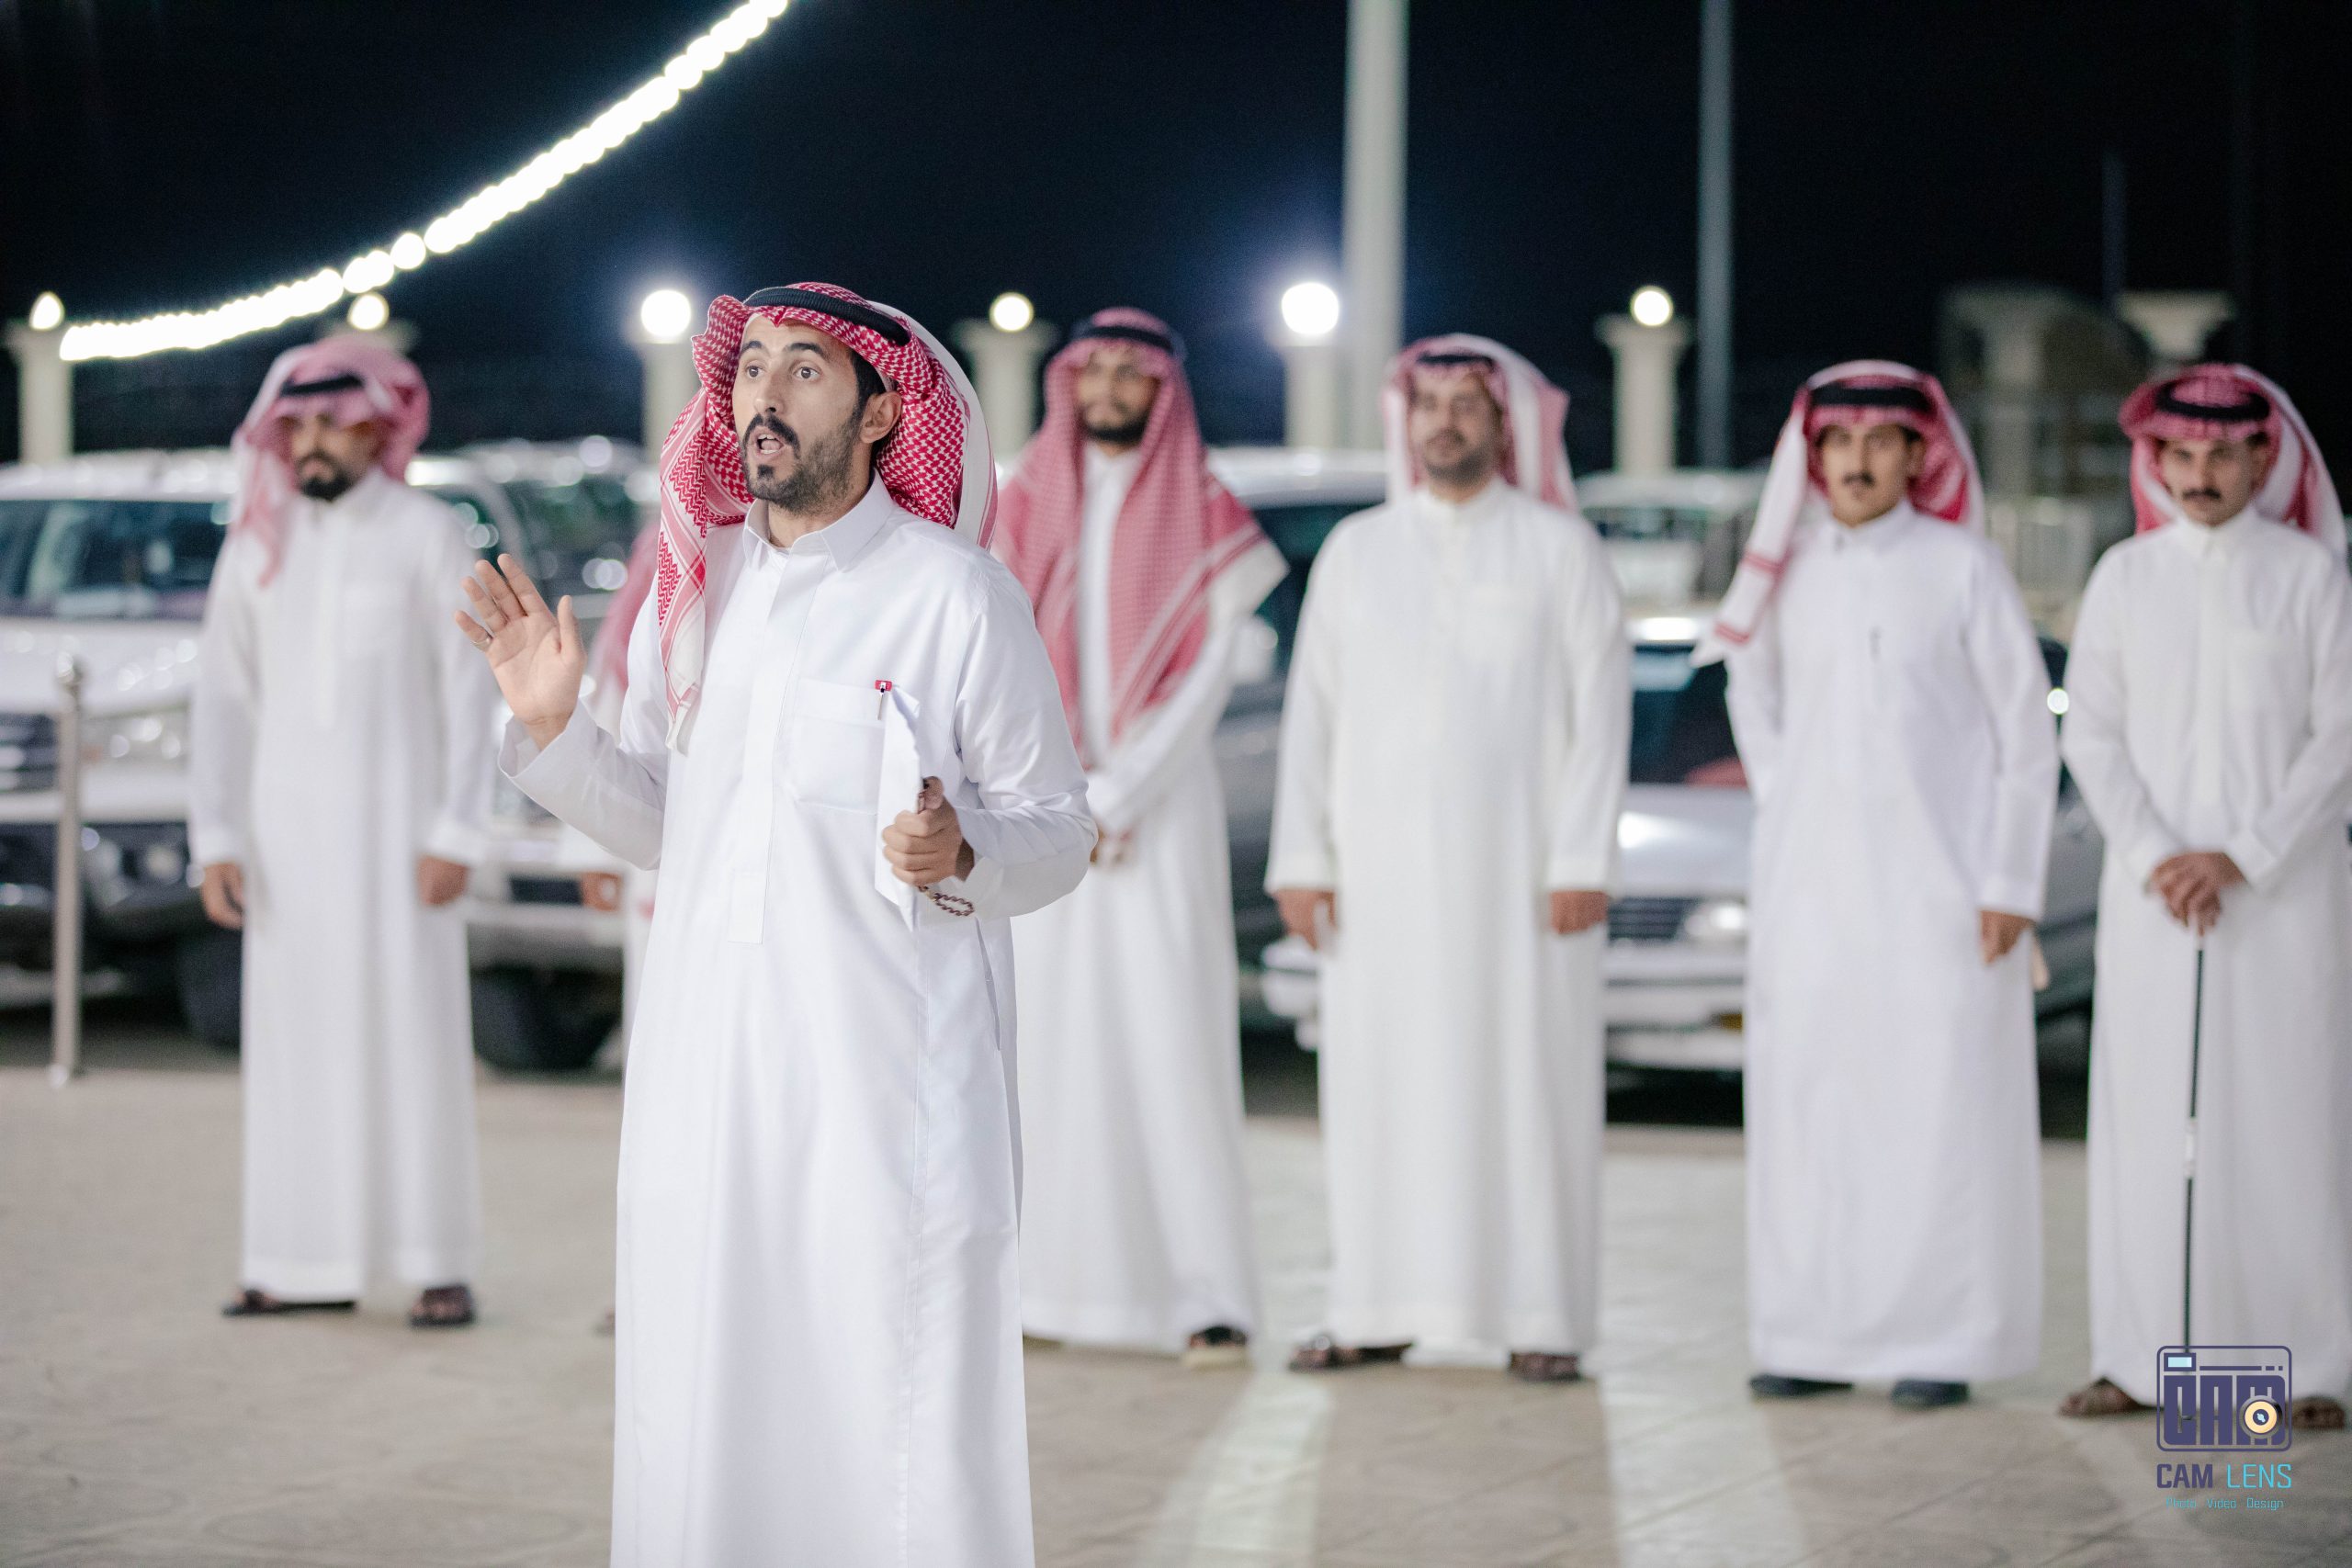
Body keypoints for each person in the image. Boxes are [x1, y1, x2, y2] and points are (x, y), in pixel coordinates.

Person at [458, 282, 1092, 1567]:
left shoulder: (956, 595)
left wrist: (963, 851)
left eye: (805, 370)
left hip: (882, 1085)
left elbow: (1059, 828)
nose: (764, 394)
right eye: (750, 367)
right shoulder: (700, 590)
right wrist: (555, 729)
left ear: (881, 414)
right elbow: (666, 823)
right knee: (702, 1385)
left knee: (885, 1396)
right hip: (705, 1072)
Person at [1265, 336, 1629, 1384]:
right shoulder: (1359, 551)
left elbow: (1601, 717)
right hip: (1376, 885)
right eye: (1428, 403)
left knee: (1527, 1088)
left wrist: (1582, 858)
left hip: (1524, 884)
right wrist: (1302, 857)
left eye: (1467, 404)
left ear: (1505, 423)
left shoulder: (1561, 549)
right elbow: (1313, 715)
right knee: (1381, 1089)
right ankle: (1376, 1306)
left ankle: (1540, 1316)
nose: (1445, 422)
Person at [1702, 362, 2057, 1411]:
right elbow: (1749, 685)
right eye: (1838, 441)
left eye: (1879, 441)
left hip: (1944, 893)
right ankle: (1807, 1335)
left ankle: (1939, 1341)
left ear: (1917, 454)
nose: (1856, 461)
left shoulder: (1962, 567)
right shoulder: (1785, 569)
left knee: (1934, 1109)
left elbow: (2025, 735)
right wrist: (1791, 797)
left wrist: (2009, 880)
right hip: (1809, 891)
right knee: (1811, 1107)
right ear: (1812, 458)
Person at [2057, 365, 2352, 1429]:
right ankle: (2135, 1362)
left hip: (2283, 899)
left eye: (2220, 455)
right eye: (2177, 455)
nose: (2198, 475)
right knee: (2141, 1120)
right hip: (2153, 900)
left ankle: (2303, 1368)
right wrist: (2158, 855)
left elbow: (2340, 736)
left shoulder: (2311, 576)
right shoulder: (2124, 577)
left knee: (2286, 1121)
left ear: (2262, 459)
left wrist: (2242, 855)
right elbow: (2090, 733)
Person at [994, 309, 1284, 1368]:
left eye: (1132, 372)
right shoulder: (1018, 505)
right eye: (1096, 369)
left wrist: (1115, 798)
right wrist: (1064, 798)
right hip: (1040, 812)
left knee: (1172, 1041)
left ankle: (1204, 1296)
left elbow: (1205, 679)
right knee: (1047, 1049)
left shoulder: (1208, 517)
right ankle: (1047, 1290)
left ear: (1164, 390)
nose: (1110, 388)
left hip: (1158, 820)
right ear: (1068, 381)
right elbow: (997, 660)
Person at [192, 337, 495, 1330]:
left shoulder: (427, 535)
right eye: (297, 424)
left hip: (403, 846)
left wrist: (458, 828)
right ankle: (296, 1259)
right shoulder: (257, 545)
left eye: (332, 420)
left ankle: (435, 1260)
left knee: (414, 1042)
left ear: (377, 426)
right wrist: (217, 835)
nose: (311, 440)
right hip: (286, 849)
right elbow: (223, 698)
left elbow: (469, 693)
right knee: (293, 1049)